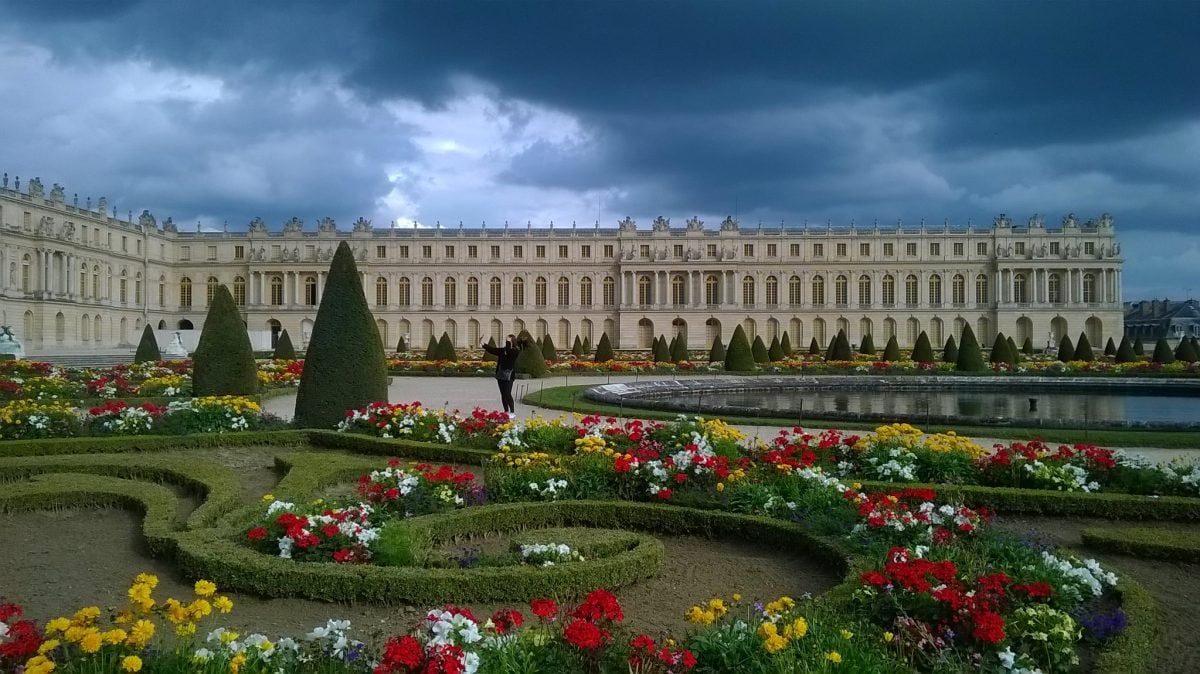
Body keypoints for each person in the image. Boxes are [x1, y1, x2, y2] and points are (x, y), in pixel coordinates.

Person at [481, 334, 525, 415]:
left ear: (512, 341)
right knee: (503, 394)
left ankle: (512, 412)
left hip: (509, 375)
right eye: (506, 340)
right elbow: (493, 350)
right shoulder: (504, 350)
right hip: (500, 374)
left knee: (508, 393)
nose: (507, 341)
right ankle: (506, 411)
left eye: (508, 340)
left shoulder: (516, 350)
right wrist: (484, 344)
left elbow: (509, 352)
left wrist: (508, 342)